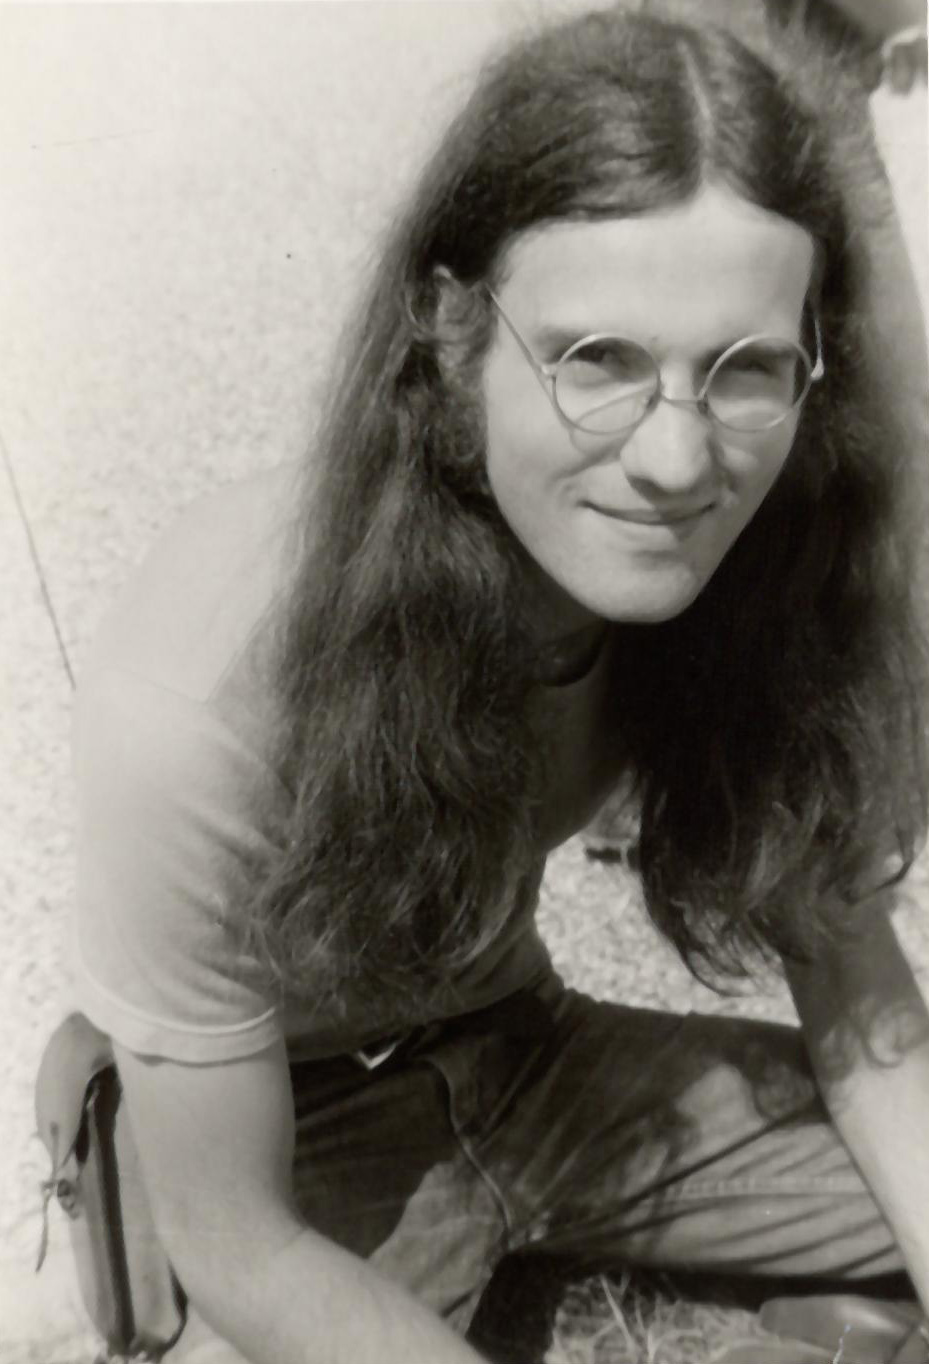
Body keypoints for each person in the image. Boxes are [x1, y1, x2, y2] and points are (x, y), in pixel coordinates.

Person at [67, 3, 929, 1362]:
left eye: (745, 369)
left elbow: (866, 1014)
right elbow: (238, 1237)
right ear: (449, 328)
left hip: (527, 1055)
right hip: (285, 1136)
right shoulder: (201, 690)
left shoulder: (764, 568)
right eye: (598, 361)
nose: (674, 459)